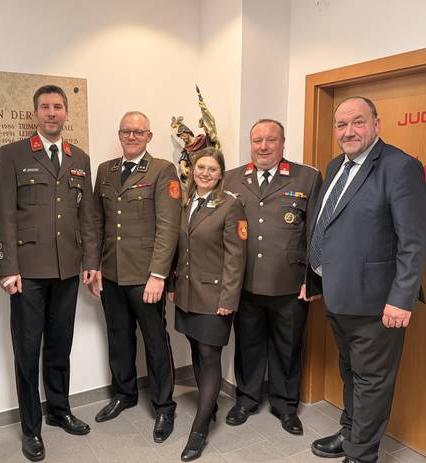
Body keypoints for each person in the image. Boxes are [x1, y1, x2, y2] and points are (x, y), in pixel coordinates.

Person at [305, 96, 426, 463]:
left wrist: (401, 298)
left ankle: (361, 455)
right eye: (341, 125)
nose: (348, 131)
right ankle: (350, 431)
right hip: (338, 295)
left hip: (377, 302)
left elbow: (413, 241)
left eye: (357, 122)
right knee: (350, 372)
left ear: (376, 124)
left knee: (372, 381)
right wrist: (314, 278)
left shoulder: (400, 167)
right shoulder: (335, 165)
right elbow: (327, 225)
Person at [0, 85, 98, 461]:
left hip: (67, 268)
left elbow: (87, 215)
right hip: (28, 272)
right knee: (27, 350)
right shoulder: (13, 154)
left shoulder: (79, 158)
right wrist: (7, 267)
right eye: (45, 107)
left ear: (66, 113)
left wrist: (91, 262)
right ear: (35, 113)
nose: (51, 112)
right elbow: (3, 214)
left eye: (57, 107)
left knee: (59, 344)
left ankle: (59, 410)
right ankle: (31, 428)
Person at [222, 119, 323, 435]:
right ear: (250, 144)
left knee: (287, 347)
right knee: (247, 344)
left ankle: (286, 406)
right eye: (257, 140)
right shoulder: (231, 178)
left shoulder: (307, 177)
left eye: (270, 140)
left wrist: (312, 279)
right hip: (246, 282)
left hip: (290, 283)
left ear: (282, 143)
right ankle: (246, 400)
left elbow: (315, 232)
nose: (263, 146)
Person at [88, 111, 181, 443]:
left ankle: (164, 406)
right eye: (126, 131)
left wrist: (158, 275)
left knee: (155, 341)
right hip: (112, 272)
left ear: (149, 136)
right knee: (118, 337)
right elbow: (97, 222)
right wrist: (94, 265)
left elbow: (169, 227)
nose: (131, 136)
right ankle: (124, 394)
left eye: (138, 132)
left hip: (145, 276)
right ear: (119, 134)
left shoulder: (162, 170)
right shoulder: (106, 170)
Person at [167, 148, 247, 461]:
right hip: (188, 293)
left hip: (215, 297)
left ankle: (199, 430)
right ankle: (208, 405)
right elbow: (178, 250)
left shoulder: (230, 205)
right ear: (192, 170)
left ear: (220, 174)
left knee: (209, 355)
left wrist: (228, 299)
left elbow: (236, 258)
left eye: (212, 169)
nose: (204, 173)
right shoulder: (186, 201)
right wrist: (172, 285)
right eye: (200, 167)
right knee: (196, 349)